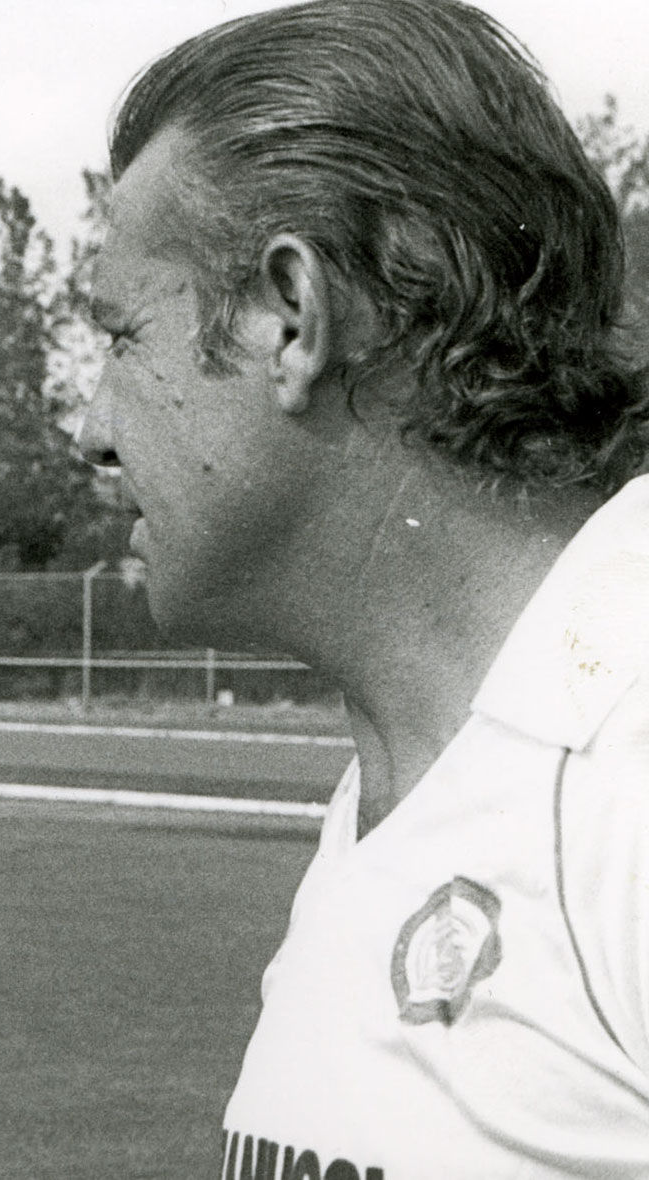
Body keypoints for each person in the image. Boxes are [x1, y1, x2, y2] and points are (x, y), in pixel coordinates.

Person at [72, 0, 649, 1173]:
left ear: (294, 317)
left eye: (124, 337)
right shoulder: (412, 776)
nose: (93, 428)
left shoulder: (625, 773)